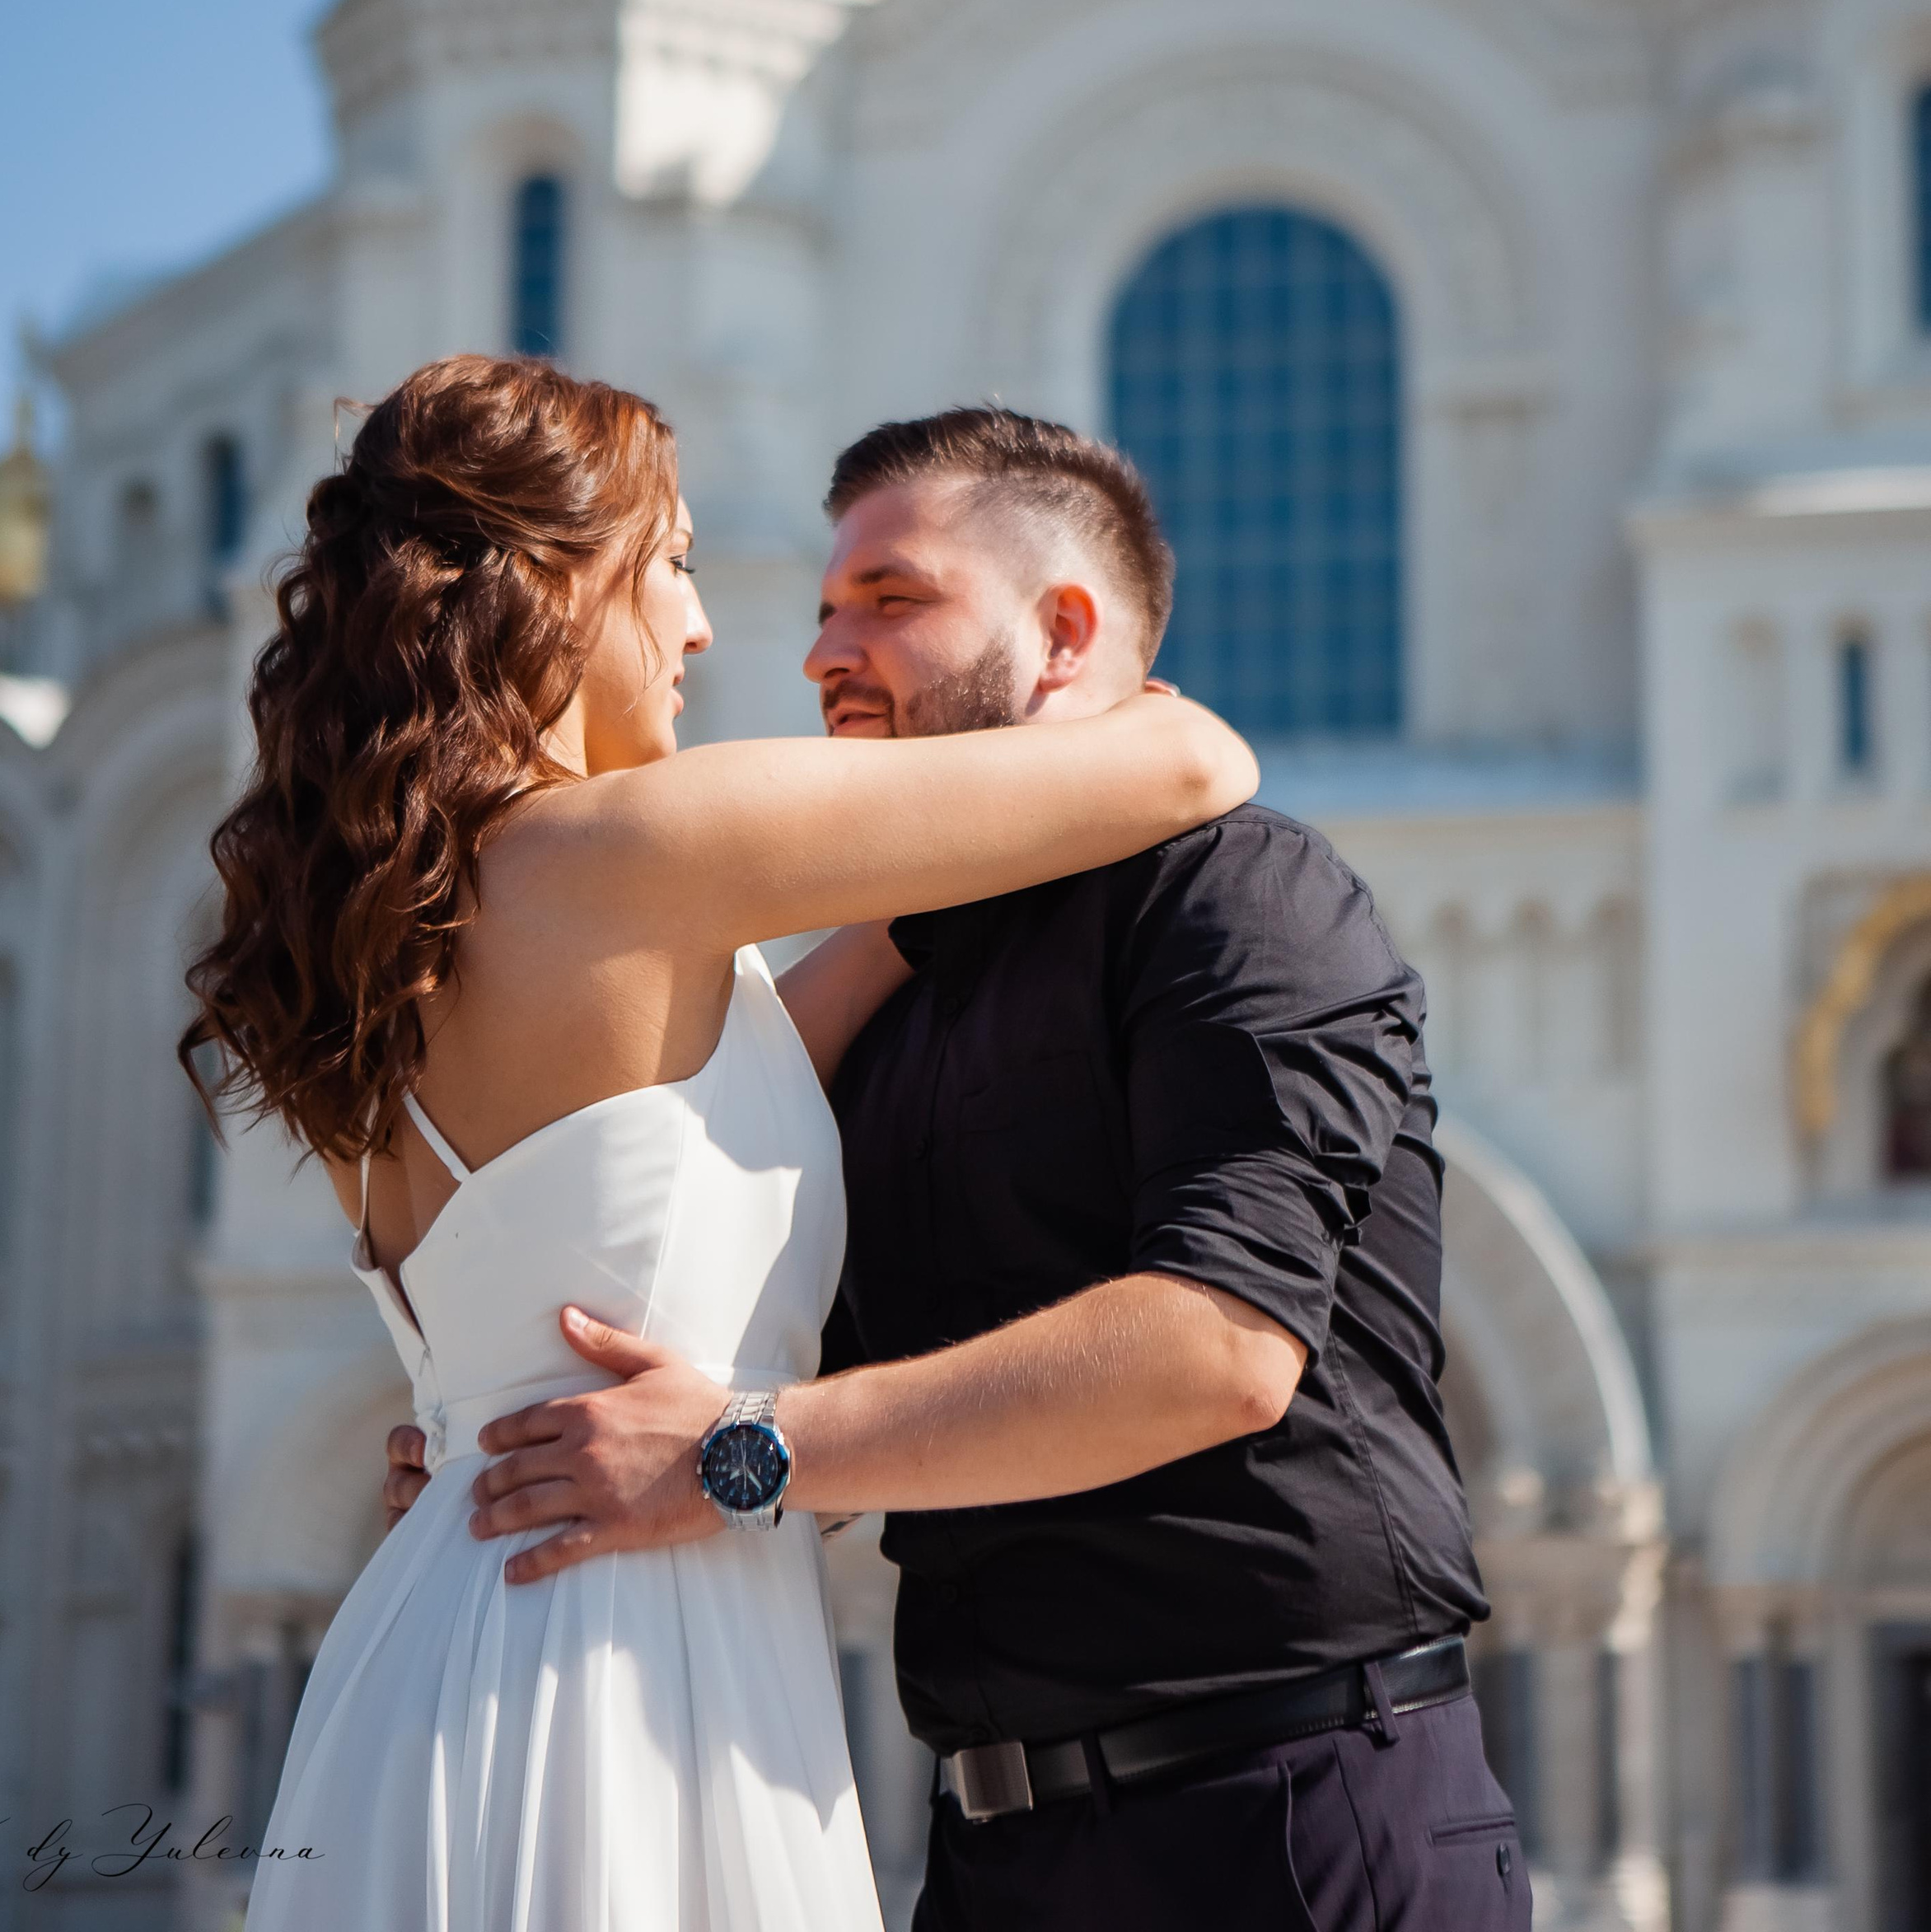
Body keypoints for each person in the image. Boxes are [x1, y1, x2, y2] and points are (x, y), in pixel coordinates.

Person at [396, 407, 1530, 1930]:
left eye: (892, 601)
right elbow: (773, 1351)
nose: (818, 654)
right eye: (822, 609)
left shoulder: (1244, 897)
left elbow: (1219, 1350)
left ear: (1064, 634)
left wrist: (732, 1453)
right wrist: (524, 1438)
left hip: (1294, 1817)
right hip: (988, 1851)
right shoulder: (887, 986)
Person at [180, 357, 1257, 1932]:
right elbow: (1192, 764)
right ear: (548, 585)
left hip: (442, 1633)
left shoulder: (404, 936)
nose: (698, 626)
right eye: (671, 564)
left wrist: (901, 923)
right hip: (622, 1665)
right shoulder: (631, 853)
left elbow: (712, 1102)